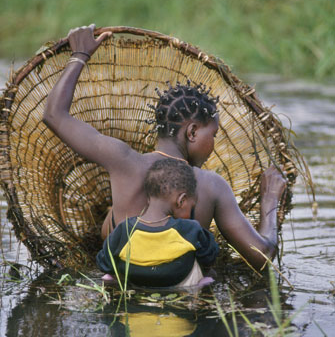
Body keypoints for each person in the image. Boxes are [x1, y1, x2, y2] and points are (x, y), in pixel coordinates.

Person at [43, 24, 287, 271]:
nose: (213, 145)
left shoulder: (123, 160)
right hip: (182, 292)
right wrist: (270, 200)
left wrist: (80, 55)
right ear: (192, 132)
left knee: (111, 221)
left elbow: (54, 115)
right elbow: (263, 257)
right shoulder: (212, 186)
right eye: (212, 134)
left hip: (124, 291)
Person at [96, 158, 219, 288]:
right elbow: (210, 256)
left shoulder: (124, 229)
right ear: (181, 201)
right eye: (191, 206)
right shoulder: (190, 229)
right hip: (179, 284)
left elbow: (103, 262)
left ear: (148, 197)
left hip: (134, 282)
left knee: (110, 274)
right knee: (210, 274)